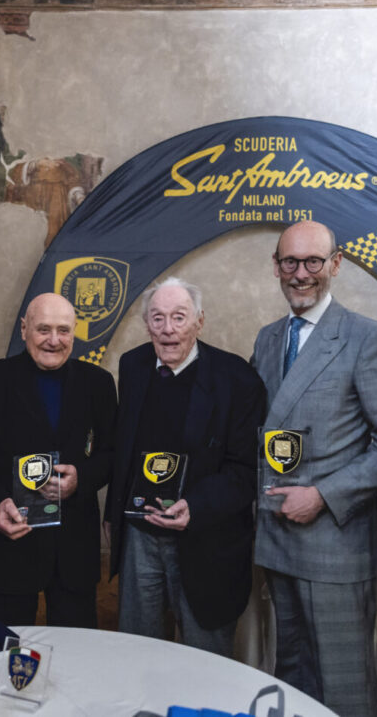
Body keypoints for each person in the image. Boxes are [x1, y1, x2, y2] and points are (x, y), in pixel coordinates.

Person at [249, 220, 377, 717]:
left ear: (335, 264)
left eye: (313, 261)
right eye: (290, 262)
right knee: (292, 679)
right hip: (277, 539)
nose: (301, 273)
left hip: (334, 544)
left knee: (343, 686)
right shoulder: (269, 338)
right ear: (276, 267)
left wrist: (323, 495)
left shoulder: (367, 338)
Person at [105, 277, 264, 657]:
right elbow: (123, 449)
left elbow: (247, 470)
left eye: (179, 317)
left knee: (203, 659)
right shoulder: (133, 366)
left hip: (206, 540)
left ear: (199, 321)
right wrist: (112, 513)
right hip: (140, 535)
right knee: (138, 652)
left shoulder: (237, 379)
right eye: (157, 318)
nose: (168, 329)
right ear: (147, 325)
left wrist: (196, 506)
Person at [0, 293, 116, 627]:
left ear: (74, 332)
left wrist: (81, 478)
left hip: (74, 551)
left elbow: (111, 455)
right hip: (9, 544)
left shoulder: (99, 384)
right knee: (6, 649)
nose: (54, 340)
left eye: (63, 330)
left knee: (75, 651)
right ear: (24, 329)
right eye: (43, 329)